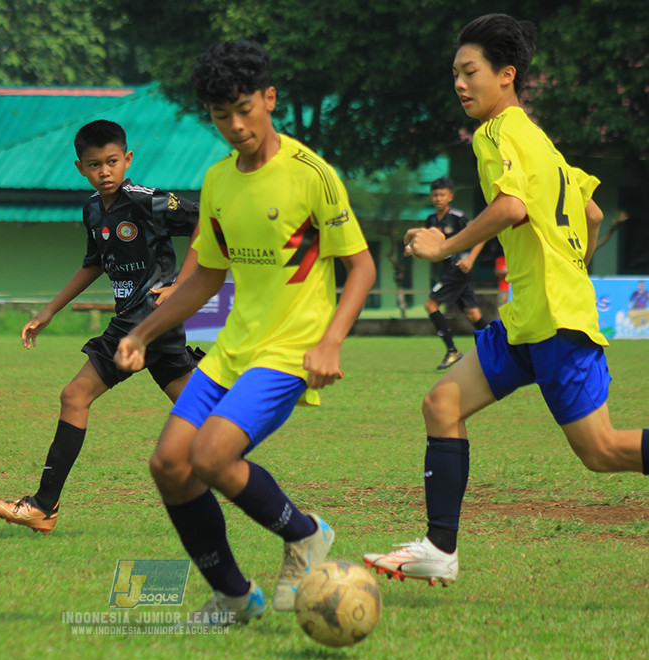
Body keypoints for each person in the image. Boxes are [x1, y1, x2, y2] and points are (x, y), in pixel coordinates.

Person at [363, 13, 649, 587]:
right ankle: (440, 550)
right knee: (442, 404)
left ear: (506, 75)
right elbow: (591, 212)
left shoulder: (496, 134)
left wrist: (446, 243)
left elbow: (512, 208)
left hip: (554, 322)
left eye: (470, 72)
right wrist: (576, 265)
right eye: (455, 75)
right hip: (528, 320)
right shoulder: (539, 139)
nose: (460, 85)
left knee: (601, 451)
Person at [114, 40, 376, 626]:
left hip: (289, 351)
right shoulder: (218, 182)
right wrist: (144, 331)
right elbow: (205, 275)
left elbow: (361, 268)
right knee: (169, 466)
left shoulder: (313, 175)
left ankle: (306, 535)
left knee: (210, 454)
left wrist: (330, 341)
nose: (235, 126)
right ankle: (234, 597)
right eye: (219, 115)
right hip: (234, 350)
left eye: (243, 108)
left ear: (269, 98)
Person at [0, 120, 203, 535]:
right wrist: (50, 311)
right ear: (80, 167)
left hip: (141, 321)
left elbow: (207, 223)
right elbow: (95, 263)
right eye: (94, 164)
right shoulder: (91, 209)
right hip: (154, 328)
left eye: (113, 162)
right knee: (207, 414)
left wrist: (181, 284)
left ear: (128, 160)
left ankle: (43, 506)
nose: (105, 171)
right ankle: (257, 480)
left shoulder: (148, 201)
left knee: (75, 395)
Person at [422, 177, 488, 370]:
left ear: (450, 196)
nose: (438, 198)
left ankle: (452, 351)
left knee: (430, 304)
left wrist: (470, 259)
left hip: (458, 269)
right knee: (472, 313)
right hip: (448, 269)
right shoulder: (431, 220)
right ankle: (499, 349)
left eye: (442, 194)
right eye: (435, 195)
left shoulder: (458, 217)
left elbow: (481, 235)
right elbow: (428, 242)